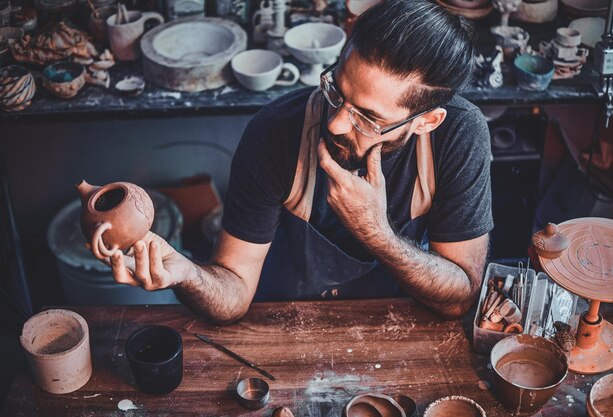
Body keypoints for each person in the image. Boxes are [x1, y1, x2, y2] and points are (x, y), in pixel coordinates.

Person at [106, 0, 493, 323]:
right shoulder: (276, 132)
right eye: (337, 91)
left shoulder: (457, 136)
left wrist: (377, 232)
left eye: (368, 118)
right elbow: (235, 290)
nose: (338, 122)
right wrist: (187, 273)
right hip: (282, 319)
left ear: (426, 121)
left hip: (395, 322)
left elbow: (460, 297)